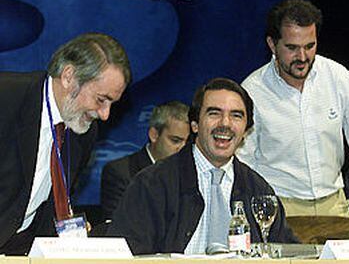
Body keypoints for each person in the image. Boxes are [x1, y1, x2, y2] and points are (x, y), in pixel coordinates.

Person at [236, 0, 349, 240]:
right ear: (272, 44)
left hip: (334, 205)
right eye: (292, 47)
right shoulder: (253, 91)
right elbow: (242, 163)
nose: (303, 56)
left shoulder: (339, 79)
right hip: (280, 208)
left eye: (310, 46)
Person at [107, 77, 298, 255]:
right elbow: (126, 254)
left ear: (246, 131)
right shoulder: (152, 184)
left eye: (236, 116)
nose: (225, 124)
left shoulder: (258, 191)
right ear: (195, 125)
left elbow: (286, 252)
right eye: (214, 113)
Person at [0, 32, 131, 255]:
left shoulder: (83, 132)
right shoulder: (7, 97)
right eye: (101, 99)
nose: (105, 114)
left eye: (112, 103)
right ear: (69, 76)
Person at [101, 101, 190, 219]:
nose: (182, 149)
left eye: (187, 142)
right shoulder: (121, 173)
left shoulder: (190, 174)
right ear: (154, 135)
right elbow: (116, 227)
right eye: (175, 140)